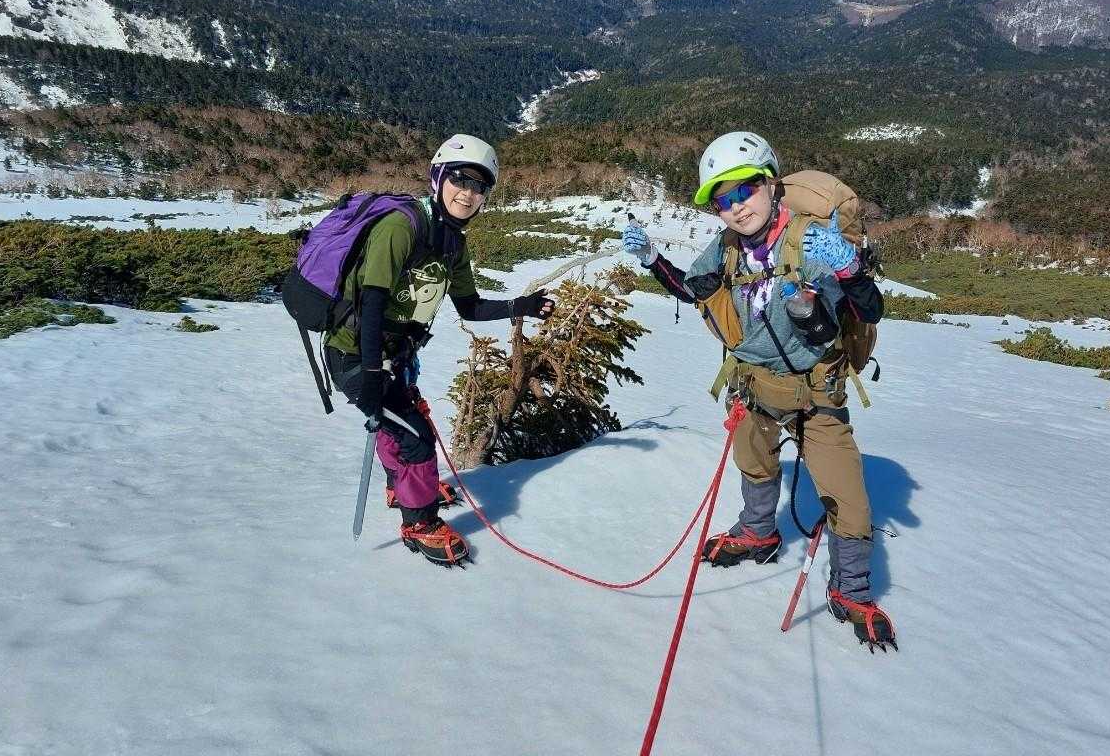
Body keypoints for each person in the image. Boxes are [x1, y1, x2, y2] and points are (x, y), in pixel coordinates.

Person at [622, 132, 895, 649]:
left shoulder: (810, 239)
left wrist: (848, 268)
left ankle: (852, 591)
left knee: (848, 497)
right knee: (754, 462)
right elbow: (696, 290)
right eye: (721, 200)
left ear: (771, 184)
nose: (735, 207)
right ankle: (758, 533)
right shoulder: (728, 247)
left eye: (744, 190)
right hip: (754, 385)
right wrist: (653, 259)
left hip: (817, 393)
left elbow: (870, 310)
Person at [325, 134, 555, 566]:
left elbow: (470, 307)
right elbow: (372, 302)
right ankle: (419, 523)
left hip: (394, 356)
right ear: (438, 178)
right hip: (354, 353)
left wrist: (519, 306)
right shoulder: (402, 226)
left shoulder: (453, 244)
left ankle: (403, 486)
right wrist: (371, 374)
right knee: (415, 436)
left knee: (400, 423)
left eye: (479, 186)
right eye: (459, 179)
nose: (468, 193)